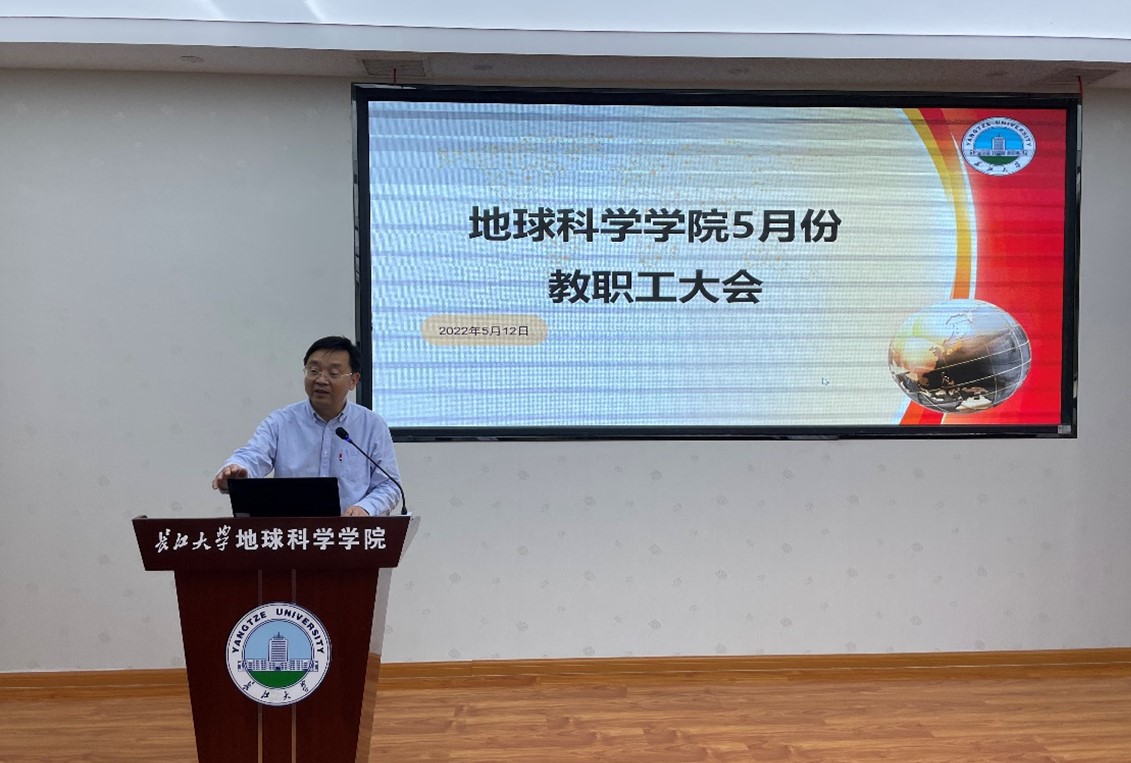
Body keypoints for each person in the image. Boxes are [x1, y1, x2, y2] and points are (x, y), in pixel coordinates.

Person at [211, 336, 402, 517]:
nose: (321, 380)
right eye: (314, 370)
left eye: (333, 373)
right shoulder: (281, 422)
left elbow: (389, 485)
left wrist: (365, 508)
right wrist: (236, 469)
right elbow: (252, 455)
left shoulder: (372, 426)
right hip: (293, 533)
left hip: (349, 532)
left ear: (353, 380)